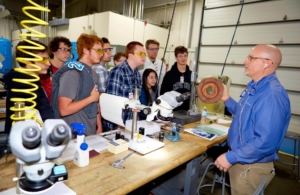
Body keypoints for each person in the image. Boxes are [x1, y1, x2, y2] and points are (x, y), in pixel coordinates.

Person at [214, 44, 291, 194]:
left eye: (251, 58)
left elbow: (265, 142)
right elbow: (243, 114)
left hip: (250, 166)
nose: (245, 61)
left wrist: (231, 157)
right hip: (244, 160)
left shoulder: (271, 96)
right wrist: (226, 98)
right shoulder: (256, 88)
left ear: (267, 63)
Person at [52, 34, 103, 135]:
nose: (101, 54)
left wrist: (99, 126)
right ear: (85, 50)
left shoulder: (92, 74)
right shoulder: (72, 73)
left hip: (91, 130)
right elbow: (64, 109)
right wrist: (91, 98)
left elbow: (95, 103)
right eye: (98, 50)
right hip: (74, 134)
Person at [4, 40, 54, 134]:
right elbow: (21, 125)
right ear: (27, 62)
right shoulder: (22, 88)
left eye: (48, 59)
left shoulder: (31, 83)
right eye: (43, 59)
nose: (48, 64)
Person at [103, 41, 145, 131]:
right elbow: (112, 103)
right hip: (116, 127)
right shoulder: (118, 72)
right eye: (141, 53)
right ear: (131, 55)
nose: (144, 56)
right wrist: (119, 125)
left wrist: (136, 119)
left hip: (130, 124)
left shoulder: (137, 73)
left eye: (144, 54)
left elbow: (136, 101)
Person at [40, 36, 72, 102]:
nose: (67, 53)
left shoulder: (69, 71)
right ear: (53, 51)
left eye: (69, 50)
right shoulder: (44, 70)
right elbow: (42, 95)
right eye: (63, 49)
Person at [160, 46, 191, 111]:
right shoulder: (169, 75)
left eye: (185, 55)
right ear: (175, 58)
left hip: (187, 111)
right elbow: (163, 94)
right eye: (180, 56)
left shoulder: (191, 74)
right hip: (172, 111)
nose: (183, 58)